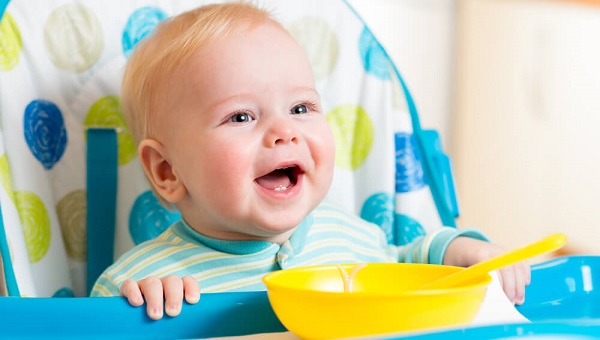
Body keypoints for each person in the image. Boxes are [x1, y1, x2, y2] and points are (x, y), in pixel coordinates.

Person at [90, 2, 530, 320]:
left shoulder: (348, 235)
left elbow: (407, 264)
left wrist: (459, 251)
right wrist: (134, 317)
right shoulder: (150, 284)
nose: (285, 131)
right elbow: (85, 330)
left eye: (301, 108)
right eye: (241, 116)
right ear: (167, 171)